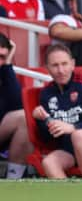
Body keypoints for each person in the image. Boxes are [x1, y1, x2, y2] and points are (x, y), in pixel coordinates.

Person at [32, 44, 82, 178]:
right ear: (47, 68)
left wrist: (73, 127)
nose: (61, 70)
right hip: (70, 150)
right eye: (55, 65)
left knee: (78, 135)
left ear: (73, 64)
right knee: (49, 162)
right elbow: (46, 137)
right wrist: (41, 120)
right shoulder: (46, 94)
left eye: (64, 64)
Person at [0, 34, 31, 179]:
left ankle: (14, 179)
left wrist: (7, 65)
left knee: (24, 117)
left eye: (2, 57)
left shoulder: (4, 74)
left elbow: (17, 103)